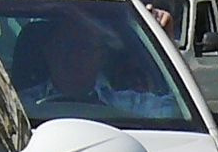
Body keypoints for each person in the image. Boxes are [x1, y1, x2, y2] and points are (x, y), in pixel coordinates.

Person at [17, 13, 173, 118]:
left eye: (85, 48)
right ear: (48, 52)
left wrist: (166, 45)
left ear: (101, 56)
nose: (75, 57)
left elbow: (179, 111)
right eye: (66, 46)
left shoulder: (129, 105)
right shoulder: (19, 108)